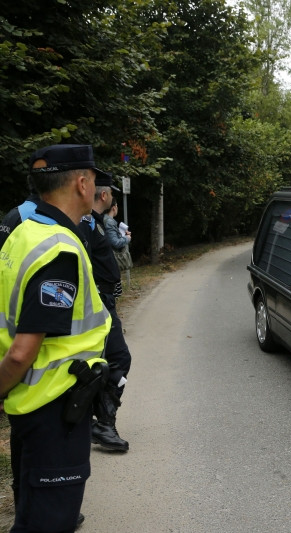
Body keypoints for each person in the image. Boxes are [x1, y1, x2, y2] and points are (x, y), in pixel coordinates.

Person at [0, 144, 112, 531]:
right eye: (95, 180)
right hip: (53, 412)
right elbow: (21, 353)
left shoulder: (24, 233)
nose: (96, 188)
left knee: (33, 510)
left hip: (31, 407)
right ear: (82, 183)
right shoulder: (59, 251)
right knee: (48, 521)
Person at [78, 174, 132, 452]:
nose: (112, 196)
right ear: (104, 195)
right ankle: (102, 424)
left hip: (105, 301)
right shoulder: (85, 224)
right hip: (97, 304)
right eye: (110, 192)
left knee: (105, 360)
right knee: (118, 357)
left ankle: (96, 423)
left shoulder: (96, 223)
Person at [103, 197, 133, 275]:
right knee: (116, 285)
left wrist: (121, 234)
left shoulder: (104, 219)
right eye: (117, 205)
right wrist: (127, 238)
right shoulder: (109, 222)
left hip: (107, 261)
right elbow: (115, 242)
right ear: (113, 208)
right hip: (112, 261)